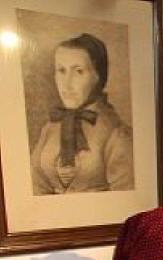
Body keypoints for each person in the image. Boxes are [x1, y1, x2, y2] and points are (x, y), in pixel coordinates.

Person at [31, 33, 133, 195]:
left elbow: (124, 198)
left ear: (98, 76)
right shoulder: (49, 129)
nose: (66, 83)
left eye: (78, 71)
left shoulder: (117, 134)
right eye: (61, 71)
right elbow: (36, 184)